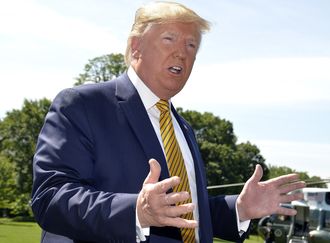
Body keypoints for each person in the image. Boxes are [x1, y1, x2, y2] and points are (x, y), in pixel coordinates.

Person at [31, 2, 305, 242]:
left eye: (191, 45)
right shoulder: (82, 105)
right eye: (169, 39)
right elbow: (51, 198)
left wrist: (241, 208)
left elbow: (183, 214)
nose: (182, 53)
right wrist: (136, 212)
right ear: (136, 46)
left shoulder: (183, 128)